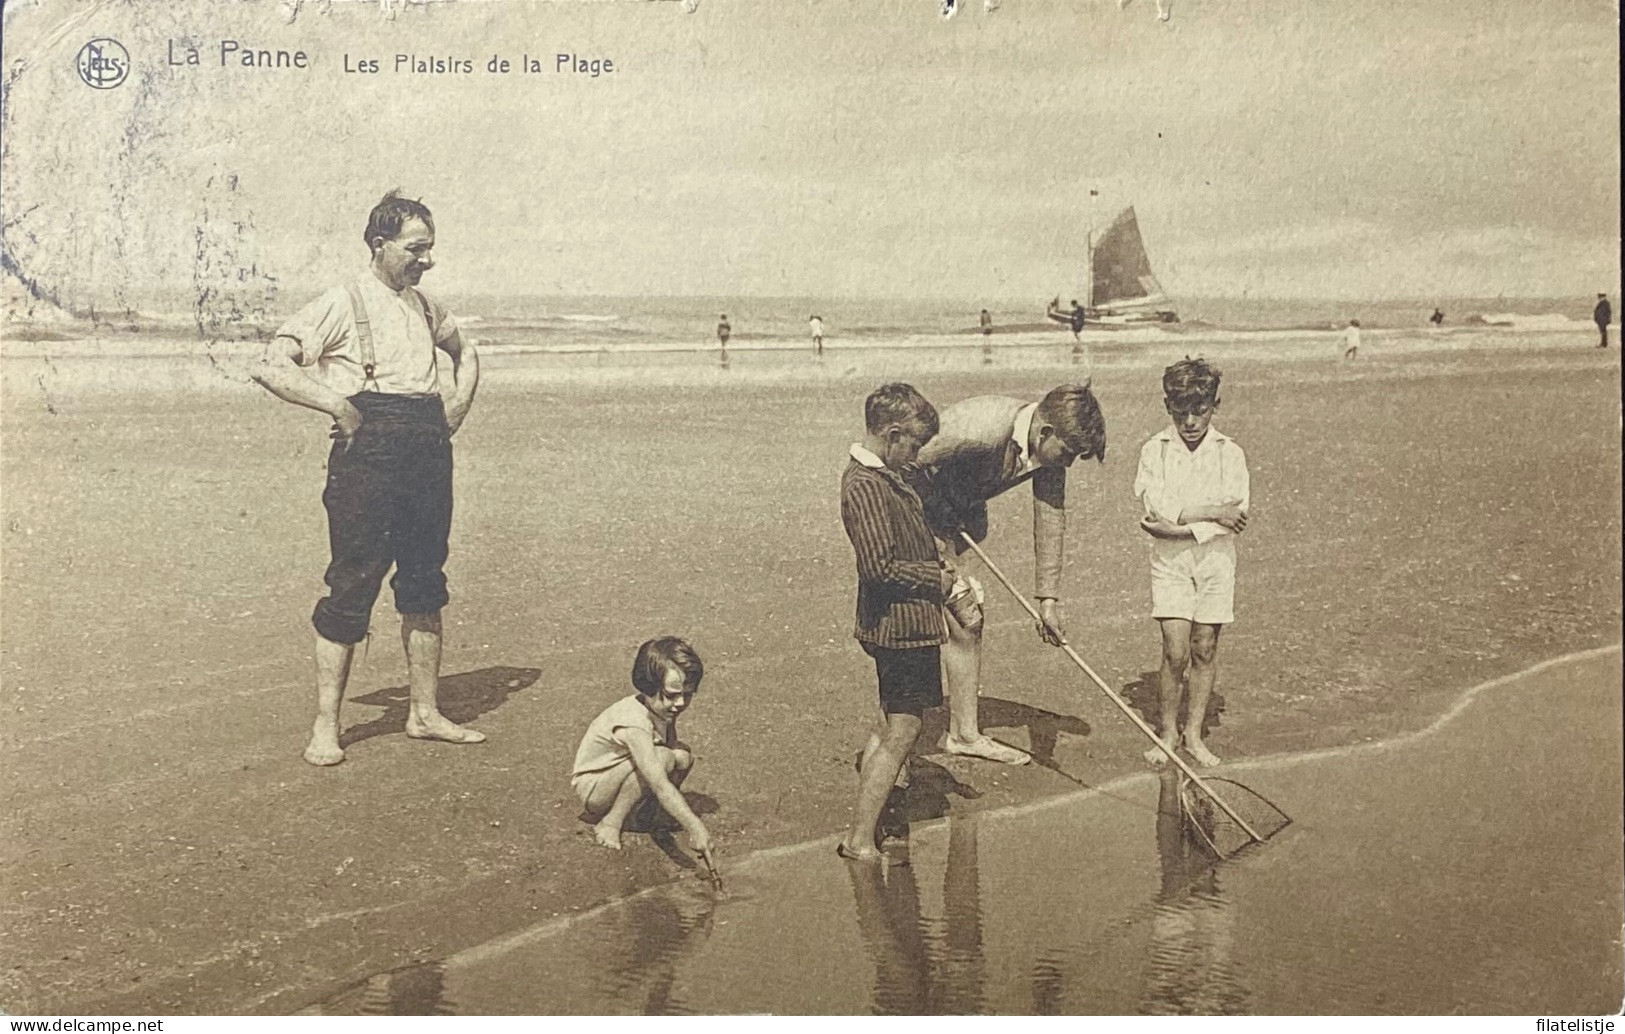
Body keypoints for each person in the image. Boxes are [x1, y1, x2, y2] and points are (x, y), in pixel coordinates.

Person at [249, 191, 482, 766]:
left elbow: (467, 351)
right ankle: (326, 727)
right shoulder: (341, 301)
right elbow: (271, 364)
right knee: (352, 585)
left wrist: (455, 409)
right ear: (380, 245)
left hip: (427, 446)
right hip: (368, 454)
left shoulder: (426, 307)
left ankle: (424, 713)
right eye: (416, 249)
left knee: (425, 580)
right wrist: (337, 405)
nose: (426, 261)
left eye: (430, 249)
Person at [914, 384, 1107, 765]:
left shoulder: (1048, 449)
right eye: (1068, 454)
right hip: (912, 517)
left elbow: (1050, 515)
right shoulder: (979, 429)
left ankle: (964, 735)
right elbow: (901, 464)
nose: (1067, 464)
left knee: (967, 620)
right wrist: (933, 526)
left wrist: (1047, 601)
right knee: (918, 626)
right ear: (1045, 432)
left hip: (958, 520)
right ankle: (900, 743)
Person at [838, 383, 950, 862]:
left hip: (910, 626)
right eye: (915, 445)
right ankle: (859, 837)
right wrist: (937, 578)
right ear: (893, 433)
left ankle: (873, 813)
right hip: (896, 628)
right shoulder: (865, 485)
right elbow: (879, 569)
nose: (917, 455)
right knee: (904, 730)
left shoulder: (889, 476)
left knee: (893, 723)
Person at [1133, 357, 1249, 768]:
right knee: (1176, 650)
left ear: (1215, 404)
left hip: (1217, 562)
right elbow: (1155, 511)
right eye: (1180, 412)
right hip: (1170, 564)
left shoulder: (1229, 452)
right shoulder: (1155, 449)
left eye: (1199, 410)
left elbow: (1234, 516)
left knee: (1205, 646)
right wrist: (1209, 512)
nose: (1190, 421)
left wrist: (1185, 522)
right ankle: (1167, 732)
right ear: (1168, 407)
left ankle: (1194, 734)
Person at [571, 637, 713, 853]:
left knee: (681, 755)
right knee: (663, 758)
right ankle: (611, 823)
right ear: (648, 687)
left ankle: (651, 815)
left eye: (687, 694)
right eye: (671, 695)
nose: (681, 703)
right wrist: (695, 827)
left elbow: (670, 747)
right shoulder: (634, 722)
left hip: (619, 774)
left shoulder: (663, 709)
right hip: (595, 787)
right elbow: (659, 783)